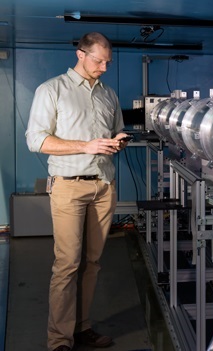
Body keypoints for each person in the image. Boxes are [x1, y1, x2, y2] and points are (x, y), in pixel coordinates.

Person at [25, 32, 129, 351]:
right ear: (81, 55)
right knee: (68, 263)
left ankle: (82, 328)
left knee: (93, 263)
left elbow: (113, 132)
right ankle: (59, 340)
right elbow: (36, 141)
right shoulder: (51, 90)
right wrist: (86, 145)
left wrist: (117, 140)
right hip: (69, 187)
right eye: (99, 61)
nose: (104, 68)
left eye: (108, 62)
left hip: (104, 186)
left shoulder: (108, 94)